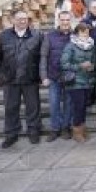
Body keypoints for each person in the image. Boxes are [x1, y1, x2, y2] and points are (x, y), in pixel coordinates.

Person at [0, 9, 43, 148]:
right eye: (20, 18)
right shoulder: (4, 36)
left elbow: (41, 57)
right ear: (13, 20)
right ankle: (11, 134)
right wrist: (0, 76)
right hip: (10, 79)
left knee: (33, 107)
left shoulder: (37, 35)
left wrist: (40, 75)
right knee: (10, 107)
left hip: (30, 78)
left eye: (25, 18)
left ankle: (34, 131)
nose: (23, 21)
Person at [60, 22, 95, 142]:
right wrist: (80, 66)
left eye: (87, 32)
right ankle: (77, 131)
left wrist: (92, 66)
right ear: (77, 32)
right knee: (78, 107)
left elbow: (94, 60)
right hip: (75, 82)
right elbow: (64, 64)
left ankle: (82, 128)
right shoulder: (70, 46)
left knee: (84, 106)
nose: (85, 34)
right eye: (83, 31)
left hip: (88, 80)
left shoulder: (91, 45)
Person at [40, 10, 73, 142]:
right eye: (62, 20)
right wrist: (43, 76)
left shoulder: (75, 35)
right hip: (53, 76)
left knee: (69, 104)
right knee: (54, 104)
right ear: (58, 21)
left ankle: (66, 127)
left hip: (70, 76)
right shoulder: (49, 36)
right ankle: (55, 128)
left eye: (67, 20)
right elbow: (43, 57)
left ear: (70, 21)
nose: (65, 22)